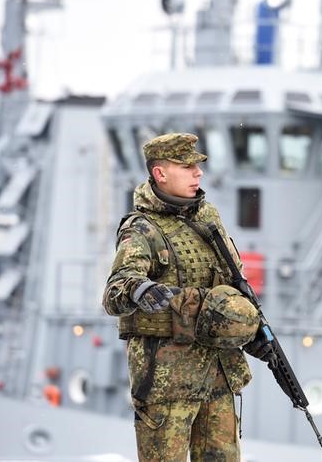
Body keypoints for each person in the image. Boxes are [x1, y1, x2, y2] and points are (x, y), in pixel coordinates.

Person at [103, 132, 273, 462]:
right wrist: (141, 289)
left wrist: (252, 334)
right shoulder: (142, 229)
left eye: (198, 166)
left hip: (216, 371)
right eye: (187, 166)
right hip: (167, 379)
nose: (198, 173)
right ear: (160, 173)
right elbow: (115, 291)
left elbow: (235, 285)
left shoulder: (208, 220)